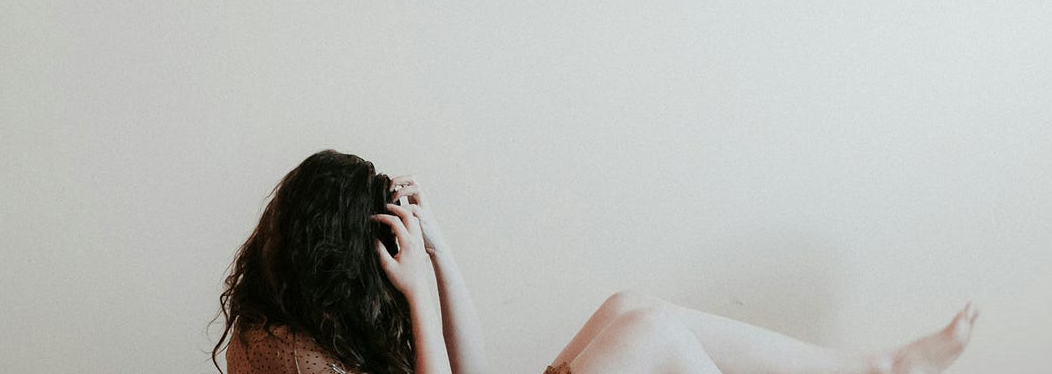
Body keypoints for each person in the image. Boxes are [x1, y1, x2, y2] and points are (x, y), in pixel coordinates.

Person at [215, 150, 978, 374]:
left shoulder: (305, 323)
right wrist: (418, 297)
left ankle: (876, 371)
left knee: (630, 308)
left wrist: (439, 254)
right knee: (655, 340)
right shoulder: (286, 358)